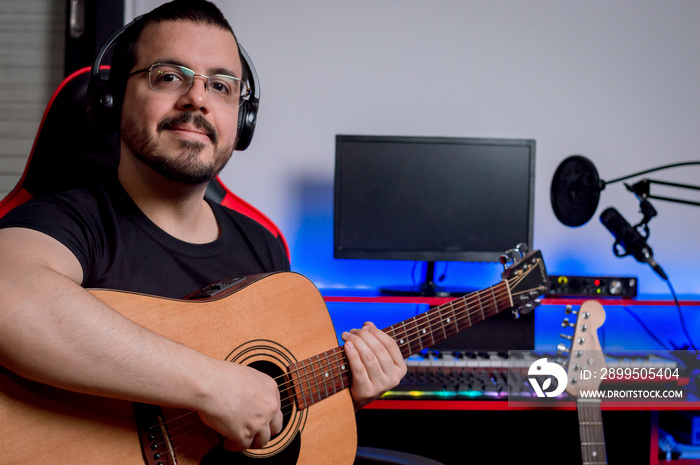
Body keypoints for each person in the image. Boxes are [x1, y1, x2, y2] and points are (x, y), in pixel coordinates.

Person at [0, 0, 406, 453]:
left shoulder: (264, 245)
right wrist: (212, 385)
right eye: (169, 76)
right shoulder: (67, 219)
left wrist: (344, 399)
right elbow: (9, 297)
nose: (197, 99)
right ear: (112, 100)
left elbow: (268, 419)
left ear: (242, 121)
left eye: (221, 85)